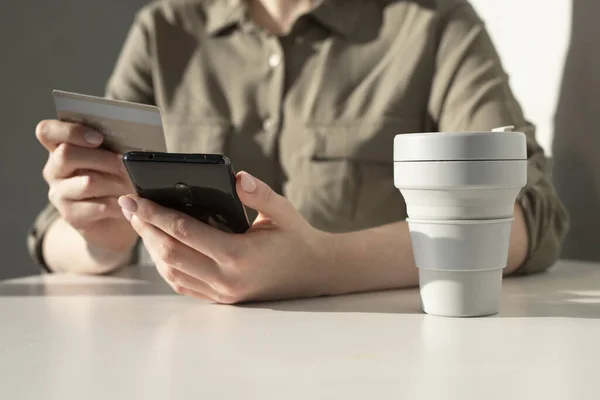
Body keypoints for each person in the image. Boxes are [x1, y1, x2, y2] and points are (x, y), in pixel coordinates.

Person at [29, 0, 569, 303]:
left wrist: (320, 265)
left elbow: (530, 214)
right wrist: (102, 239)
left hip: (383, 357)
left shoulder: (433, 25)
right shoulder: (164, 29)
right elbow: (54, 232)